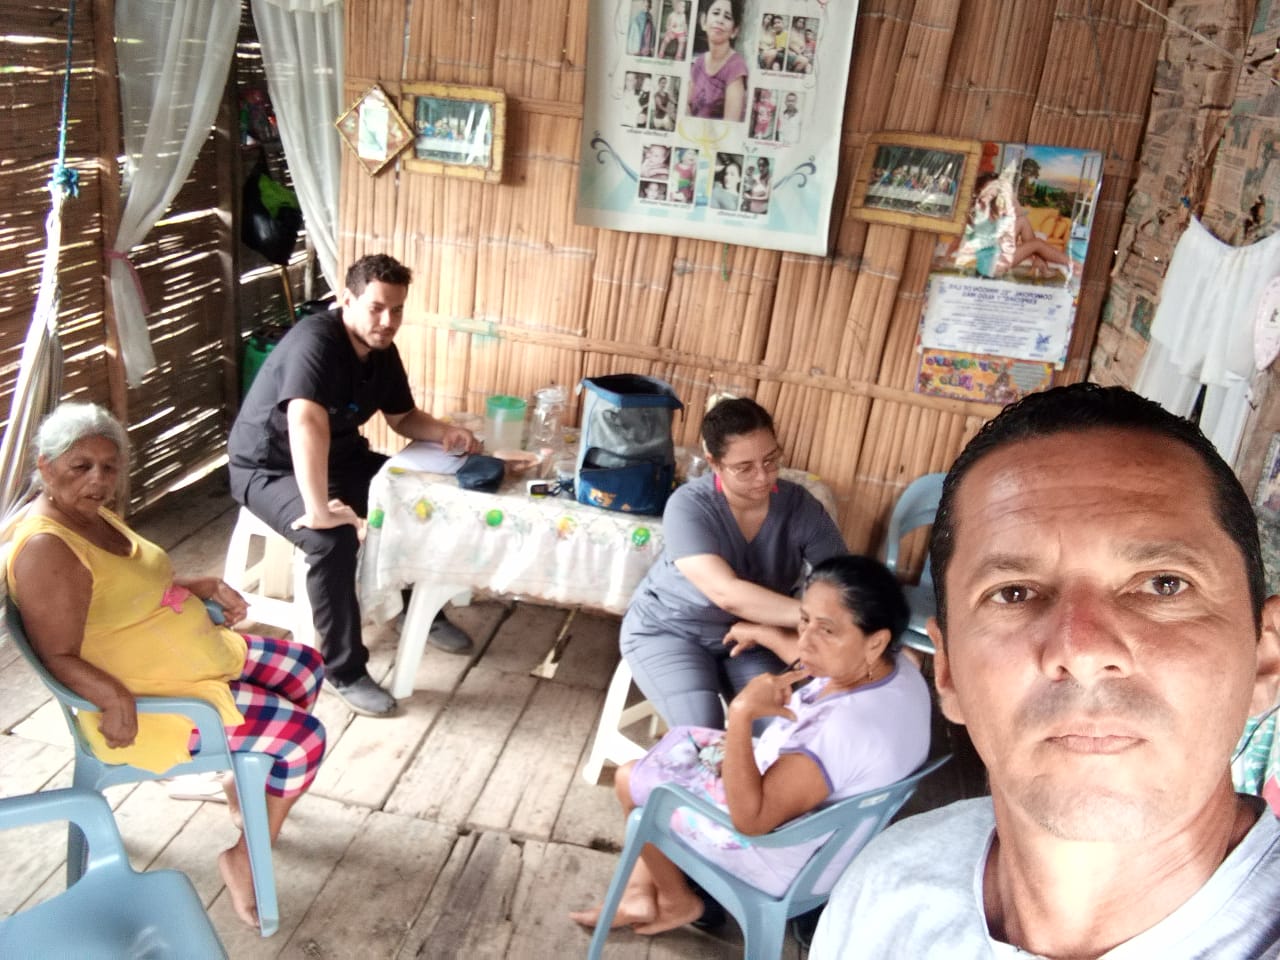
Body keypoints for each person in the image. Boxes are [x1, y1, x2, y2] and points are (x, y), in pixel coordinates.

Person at [811, 383, 1280, 958]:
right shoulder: (882, 893)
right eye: (1013, 592)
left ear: (1265, 656)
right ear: (948, 670)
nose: (1081, 650)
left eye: (1164, 584)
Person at [5, 402, 327, 930]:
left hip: (192, 656)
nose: (98, 479)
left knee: (306, 668)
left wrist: (194, 586)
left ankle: (242, 781)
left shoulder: (88, 514)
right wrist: (113, 697)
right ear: (45, 465)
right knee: (304, 739)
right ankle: (245, 856)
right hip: (158, 700)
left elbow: (123, 586)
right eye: (80, 466)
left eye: (109, 466)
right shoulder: (47, 549)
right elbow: (56, 653)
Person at [572, 555, 931, 934]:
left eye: (826, 630)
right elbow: (815, 661)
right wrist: (768, 634)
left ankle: (678, 901)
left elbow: (752, 821)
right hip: (822, 835)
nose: (806, 641)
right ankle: (642, 890)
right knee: (672, 751)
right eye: (804, 620)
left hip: (776, 857)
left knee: (631, 777)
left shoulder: (837, 732)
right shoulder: (900, 669)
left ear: (876, 641)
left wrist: (741, 713)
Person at [228, 254, 479, 719]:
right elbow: (305, 421)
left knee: (413, 498)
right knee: (331, 539)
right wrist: (318, 508)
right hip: (269, 468)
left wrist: (446, 432)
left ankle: (414, 610)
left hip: (338, 457)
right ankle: (343, 669)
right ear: (347, 300)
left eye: (397, 310)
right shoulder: (316, 342)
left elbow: (403, 417)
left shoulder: (380, 350)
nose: (387, 322)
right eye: (376, 308)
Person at [619, 397, 847, 730]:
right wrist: (818, 619)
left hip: (753, 637)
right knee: (702, 729)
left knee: (778, 728)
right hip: (672, 629)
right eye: (744, 468)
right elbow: (727, 594)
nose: (763, 477)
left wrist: (774, 631)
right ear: (714, 463)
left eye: (771, 460)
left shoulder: (801, 508)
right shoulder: (689, 506)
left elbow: (845, 582)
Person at [687, 0, 747, 122]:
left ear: (734, 31)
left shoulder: (736, 68)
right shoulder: (699, 62)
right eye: (716, 13)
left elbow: (730, 125)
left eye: (727, 17)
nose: (720, 20)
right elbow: (687, 103)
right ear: (703, 21)